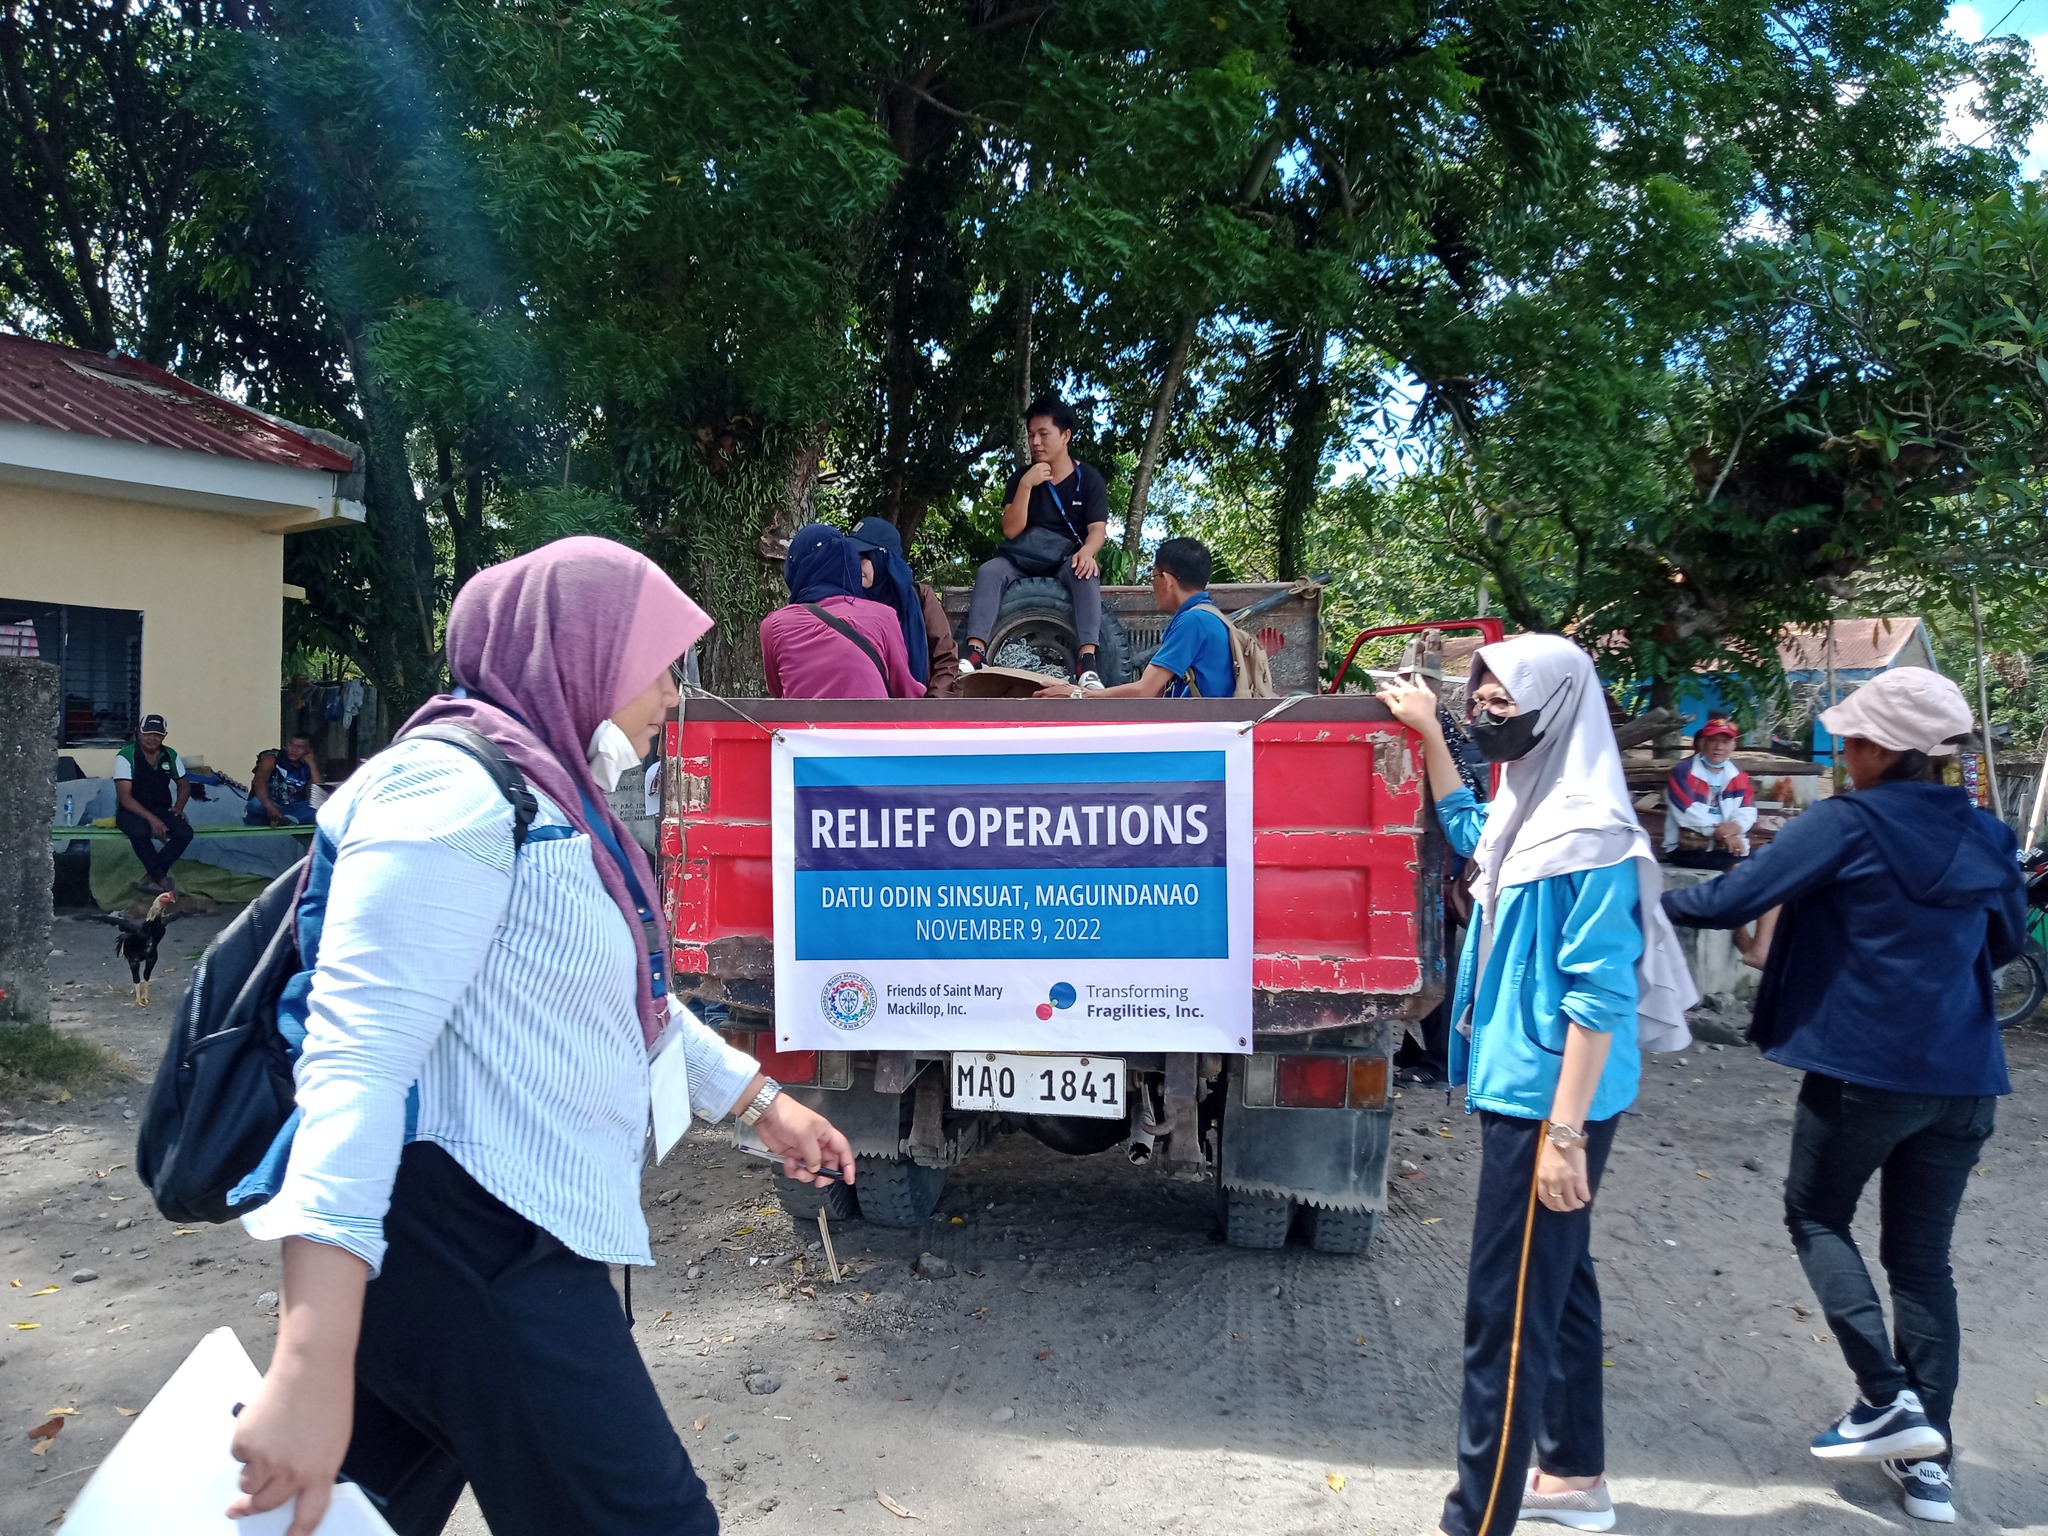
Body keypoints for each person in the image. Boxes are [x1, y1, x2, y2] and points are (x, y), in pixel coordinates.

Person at [226, 538, 858, 1536]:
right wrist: (308, 1361)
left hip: (481, 1243)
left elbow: (615, 1000)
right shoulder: (450, 794)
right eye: (653, 663)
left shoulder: (550, 796)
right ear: (576, 653)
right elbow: (356, 1062)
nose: (670, 694)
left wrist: (760, 1103)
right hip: (476, 1243)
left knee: (331, 1519)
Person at [1662, 667, 2021, 1526]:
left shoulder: (1846, 823)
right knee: (1923, 1262)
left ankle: (1887, 1398)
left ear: (1884, 750)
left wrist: (1620, 884)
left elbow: (1728, 900)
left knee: (1817, 1216)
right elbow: (2006, 941)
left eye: (1853, 739)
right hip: (1966, 1076)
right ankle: (1928, 1463)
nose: (1843, 752)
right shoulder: (1986, 832)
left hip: (1865, 1070)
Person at [1378, 635, 1696, 1536]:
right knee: (1562, 1282)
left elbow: (1599, 995)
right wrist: (1428, 732)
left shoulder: (1590, 833)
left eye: (1501, 705)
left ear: (1557, 710)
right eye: (1477, 703)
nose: (1488, 718)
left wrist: (1563, 1134)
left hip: (1550, 1100)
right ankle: (1576, 1476)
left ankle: (1476, 1520)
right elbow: (1472, 834)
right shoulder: (1532, 804)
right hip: (1531, 1087)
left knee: (1505, 1316)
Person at [962, 396, 1109, 687]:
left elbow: (1097, 529)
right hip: (1024, 556)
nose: (1036, 442)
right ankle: (975, 652)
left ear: (1065, 435)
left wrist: (1088, 551)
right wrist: (1027, 484)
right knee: (989, 571)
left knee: (1086, 572)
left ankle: (1087, 662)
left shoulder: (1088, 479)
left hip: (1066, 556)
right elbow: (1011, 530)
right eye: (1031, 435)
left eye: (1043, 434)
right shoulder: (1021, 477)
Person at [1036, 537, 1228, 699]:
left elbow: (1145, 690)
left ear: (1168, 581)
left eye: (1153, 577)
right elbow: (1157, 689)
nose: (1153, 586)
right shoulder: (1209, 617)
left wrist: (1078, 694)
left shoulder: (1193, 622)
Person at [762, 523, 926, 700]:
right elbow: (904, 689)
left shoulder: (774, 625)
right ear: (849, 564)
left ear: (795, 568)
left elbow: (777, 689)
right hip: (871, 718)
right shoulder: (884, 616)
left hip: (804, 719)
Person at [851, 515, 958, 697]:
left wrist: (931, 705)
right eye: (852, 557)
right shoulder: (846, 600)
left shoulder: (920, 598)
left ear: (882, 558)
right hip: (864, 708)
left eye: (863, 558)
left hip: (917, 708)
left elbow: (945, 657)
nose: (855, 565)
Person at [113, 712, 194, 895]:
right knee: (139, 832)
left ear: (164, 736)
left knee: (185, 832)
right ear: (139, 733)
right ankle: (162, 879)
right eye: (148, 733)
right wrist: (152, 820)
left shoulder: (170, 755)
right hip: (130, 811)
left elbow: (184, 784)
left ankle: (152, 876)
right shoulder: (126, 755)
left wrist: (178, 808)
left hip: (162, 809)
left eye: (157, 734)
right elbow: (125, 797)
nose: (152, 738)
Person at [1663, 717, 1756, 870]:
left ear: (1733, 745)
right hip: (1688, 847)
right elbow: (1688, 813)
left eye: (1725, 742)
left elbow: (1748, 808)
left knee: (1763, 863)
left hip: (1725, 843)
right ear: (1702, 742)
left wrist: (1736, 826)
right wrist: (1725, 834)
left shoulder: (1737, 774)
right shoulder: (1684, 771)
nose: (1719, 747)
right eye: (1713, 740)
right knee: (1739, 868)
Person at [247, 735, 324, 826]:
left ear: (309, 750)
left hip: (292, 810)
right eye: (291, 745)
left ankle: (287, 820)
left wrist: (312, 764)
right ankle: (289, 820)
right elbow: (259, 782)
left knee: (321, 806)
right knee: (256, 803)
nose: (294, 750)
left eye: (300, 747)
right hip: (269, 807)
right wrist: (270, 806)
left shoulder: (307, 766)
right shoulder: (272, 757)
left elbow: (320, 793)